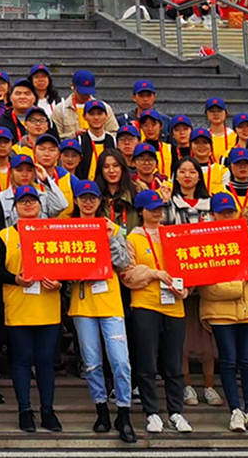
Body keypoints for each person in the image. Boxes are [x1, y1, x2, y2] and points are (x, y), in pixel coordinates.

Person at [197, 191, 248, 434]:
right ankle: (235, 410)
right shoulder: (204, 239)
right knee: (229, 360)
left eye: (230, 212)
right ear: (213, 215)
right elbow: (203, 282)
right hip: (220, 312)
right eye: (221, 213)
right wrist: (238, 286)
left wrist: (246, 252)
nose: (226, 216)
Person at [67, 178, 139, 443]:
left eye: (92, 198)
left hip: (110, 301)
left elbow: (123, 262)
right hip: (83, 302)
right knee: (92, 362)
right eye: (83, 198)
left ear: (100, 201)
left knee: (120, 360)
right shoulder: (69, 229)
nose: (88, 202)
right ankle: (101, 410)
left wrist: (109, 238)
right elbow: (62, 266)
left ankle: (124, 413)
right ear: (77, 201)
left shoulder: (112, 227)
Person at [0, 184, 63, 433]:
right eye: (23, 201)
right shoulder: (4, 236)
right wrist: (15, 279)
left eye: (33, 200)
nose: (28, 204)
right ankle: (25, 410)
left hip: (48, 307)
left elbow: (67, 265)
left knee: (45, 362)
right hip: (18, 308)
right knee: (21, 361)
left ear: (40, 205)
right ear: (15, 207)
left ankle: (47, 410)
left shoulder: (53, 233)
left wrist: (60, 282)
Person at [125, 189, 191, 435]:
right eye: (151, 208)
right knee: (147, 361)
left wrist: (186, 288)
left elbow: (187, 267)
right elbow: (128, 275)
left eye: (159, 208)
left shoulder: (173, 234)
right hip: (146, 305)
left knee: (174, 363)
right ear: (141, 211)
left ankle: (176, 411)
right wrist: (154, 273)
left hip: (174, 305)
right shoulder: (133, 238)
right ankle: (151, 412)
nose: (156, 212)